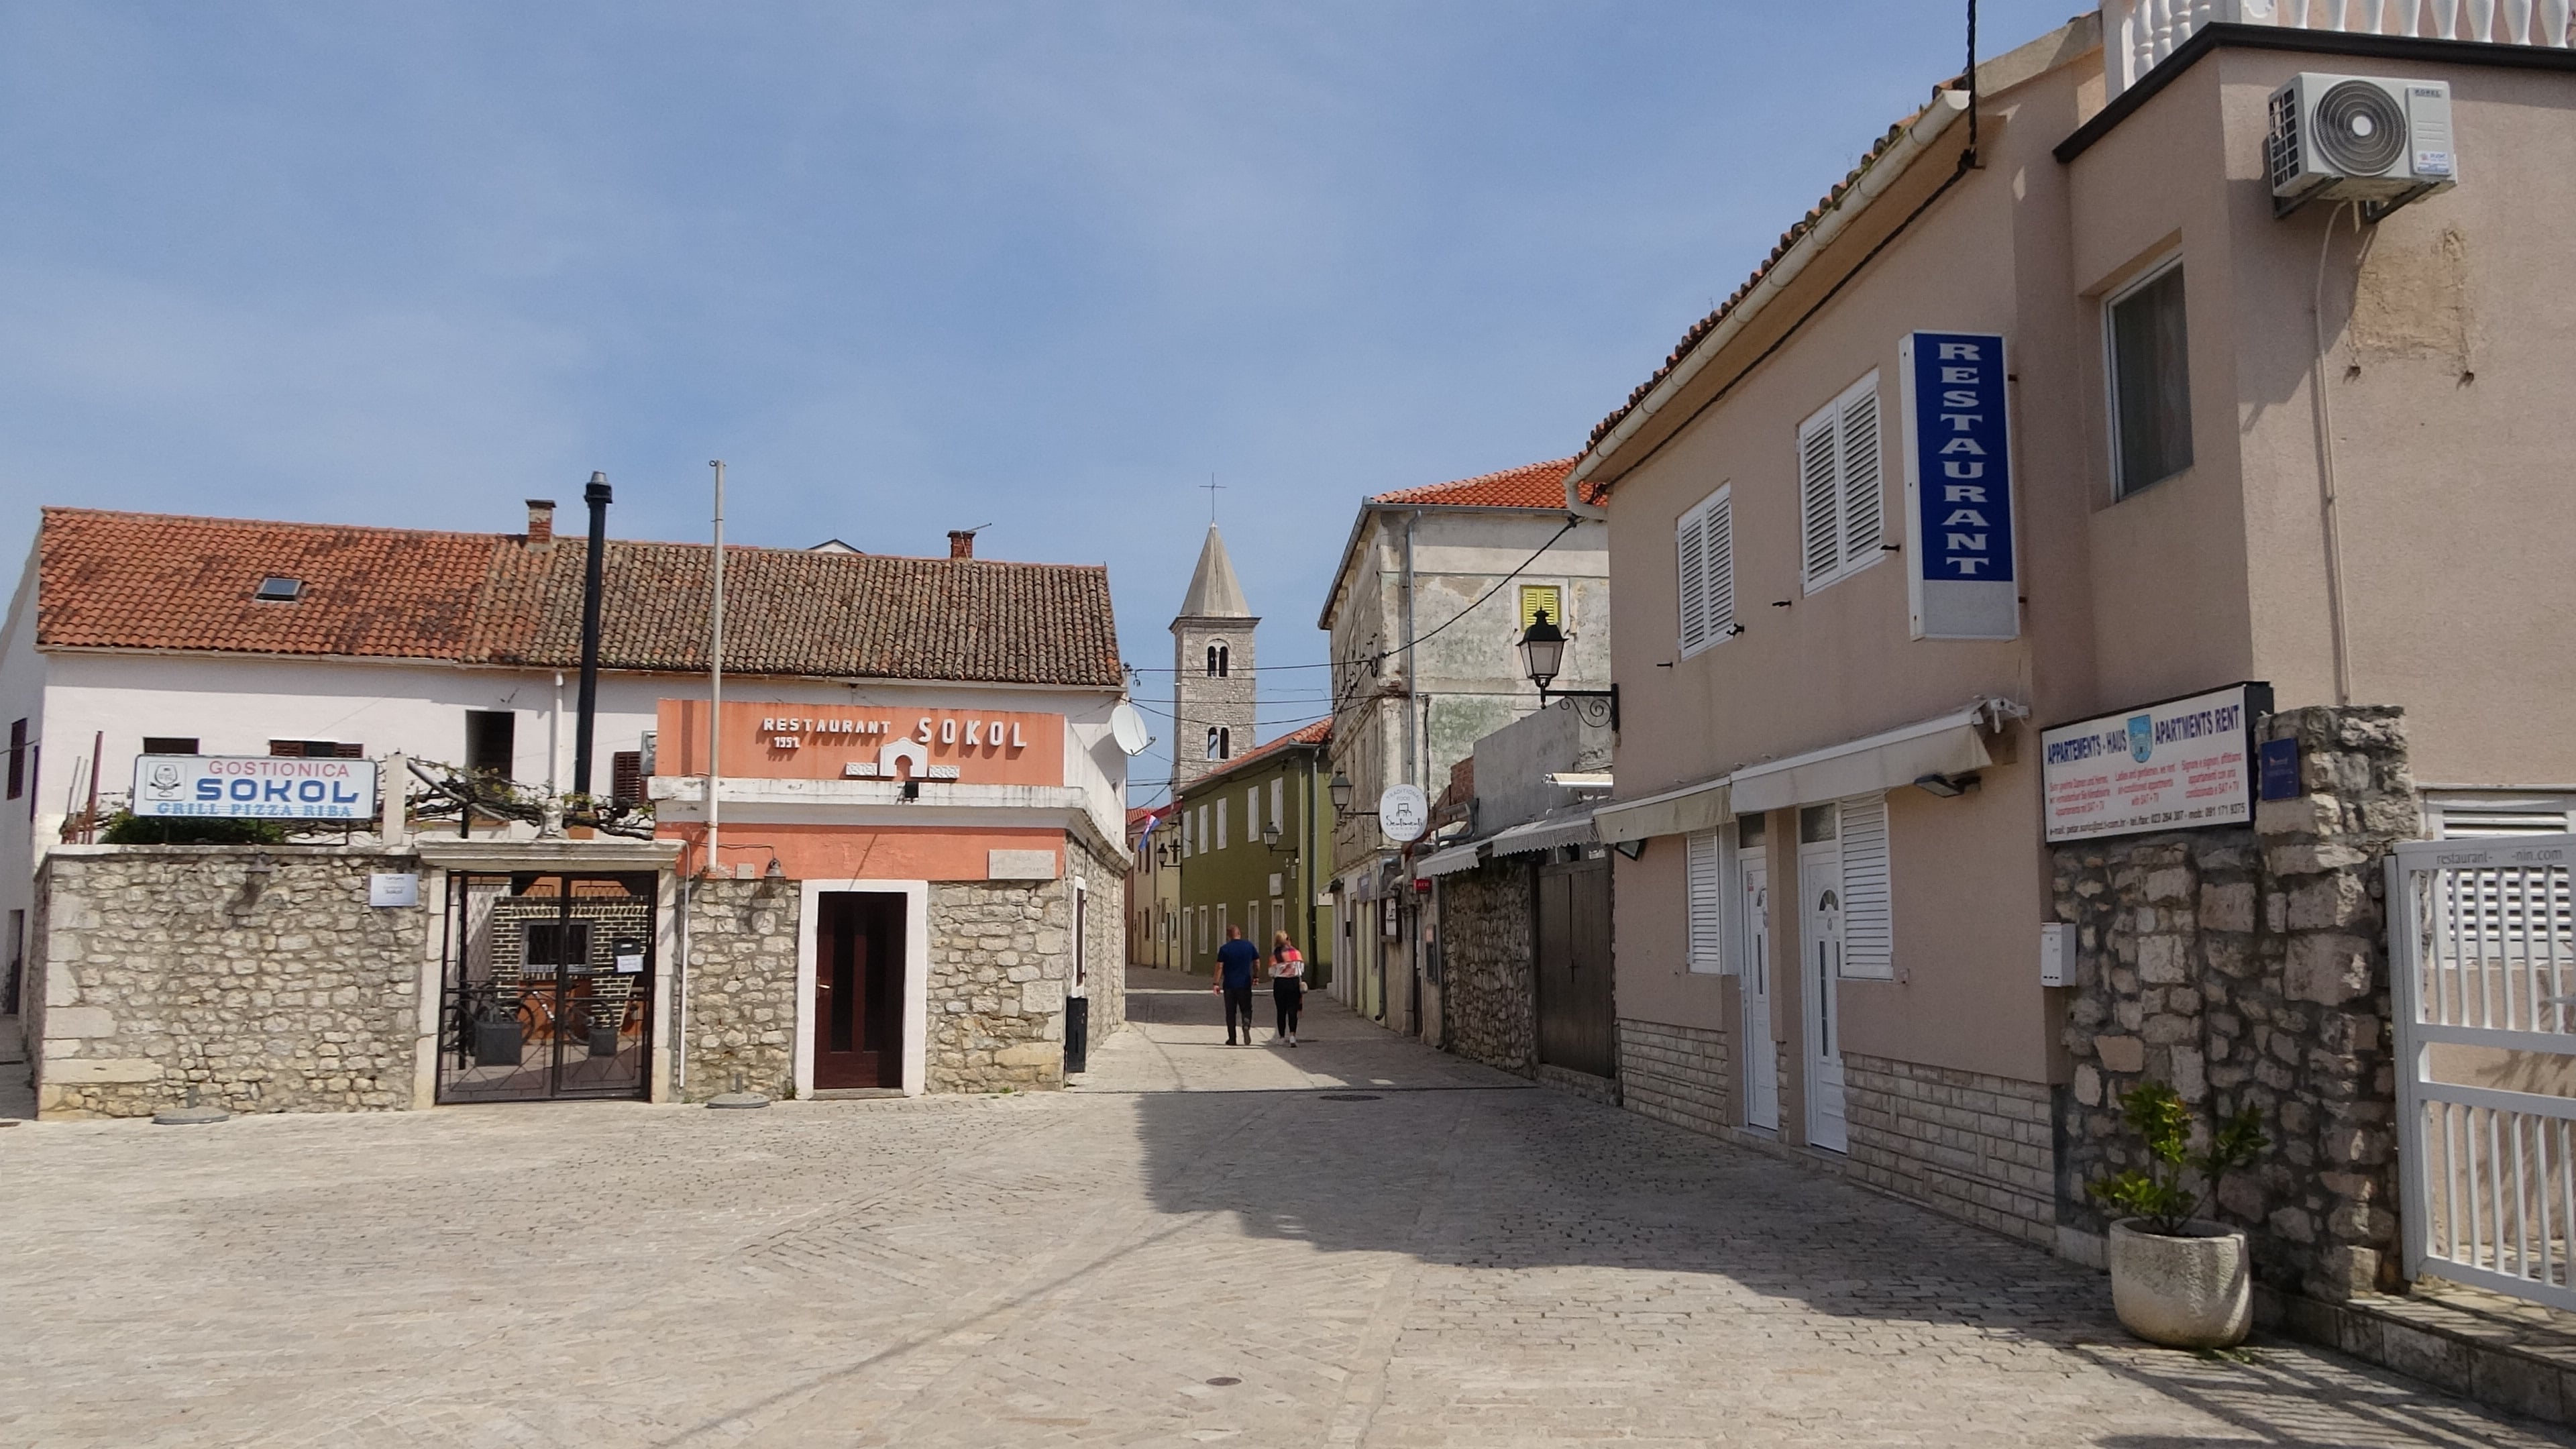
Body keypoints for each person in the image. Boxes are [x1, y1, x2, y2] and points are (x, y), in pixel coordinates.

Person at [1213, 924, 1260, 1046]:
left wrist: (1216, 983)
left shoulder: (1225, 949)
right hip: (1245, 984)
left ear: (1229, 936)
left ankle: (1232, 1039)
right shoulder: (1249, 946)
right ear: (1239, 933)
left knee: (1230, 1012)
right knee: (1246, 1008)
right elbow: (1257, 962)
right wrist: (1256, 976)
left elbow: (1220, 967)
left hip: (1229, 985)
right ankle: (1246, 1024)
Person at [1269, 930, 1305, 1046]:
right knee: (1292, 1010)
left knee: (1281, 1011)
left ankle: (1281, 1037)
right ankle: (1293, 1036)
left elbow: (1271, 973)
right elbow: (1301, 970)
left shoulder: (1276, 956)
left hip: (1280, 984)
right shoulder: (1297, 954)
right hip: (1294, 983)